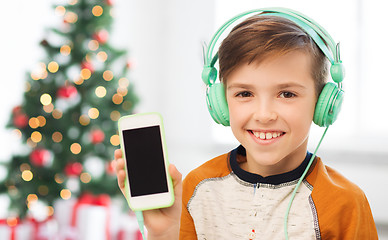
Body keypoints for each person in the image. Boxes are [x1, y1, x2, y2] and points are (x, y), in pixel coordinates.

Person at [114, 8, 378, 240]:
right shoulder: (197, 188)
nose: (264, 115)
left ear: (324, 104)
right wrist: (164, 234)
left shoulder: (346, 203)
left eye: (287, 94)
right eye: (244, 94)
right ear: (221, 102)